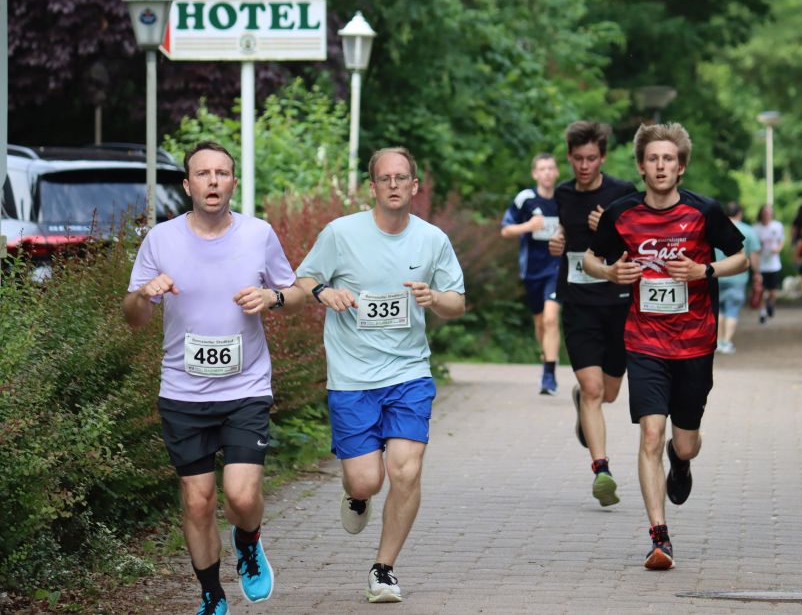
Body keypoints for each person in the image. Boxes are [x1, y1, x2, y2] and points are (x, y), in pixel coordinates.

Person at [122, 141, 306, 615]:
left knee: (241, 497)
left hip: (246, 388)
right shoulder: (161, 240)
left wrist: (272, 299)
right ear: (187, 185)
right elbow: (133, 318)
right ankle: (212, 595)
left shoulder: (258, 234)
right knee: (198, 501)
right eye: (203, 174)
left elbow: (296, 293)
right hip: (183, 392)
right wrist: (143, 294)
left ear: (233, 183)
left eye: (222, 173)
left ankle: (248, 539)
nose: (213, 181)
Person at [295, 147, 465, 604]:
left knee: (406, 471)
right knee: (367, 480)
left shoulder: (432, 240)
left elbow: (457, 302)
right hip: (352, 378)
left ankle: (383, 568)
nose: (393, 185)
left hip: (408, 373)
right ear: (372, 187)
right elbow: (303, 280)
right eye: (384, 178)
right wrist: (324, 292)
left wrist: (434, 298)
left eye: (401, 177)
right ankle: (356, 494)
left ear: (414, 186)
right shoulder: (341, 233)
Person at [583, 122, 748, 571]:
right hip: (645, 341)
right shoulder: (622, 213)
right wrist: (610, 273)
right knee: (651, 433)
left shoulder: (703, 211)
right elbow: (591, 258)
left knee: (685, 442)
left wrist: (704, 271)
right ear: (641, 166)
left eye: (668, 159)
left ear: (681, 167)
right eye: (653, 159)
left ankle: (683, 460)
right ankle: (660, 537)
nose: (660, 166)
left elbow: (741, 257)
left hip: (695, 343)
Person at [547, 121, 635, 508]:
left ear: (603, 158)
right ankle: (602, 471)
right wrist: (557, 243)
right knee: (595, 390)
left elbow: (638, 243)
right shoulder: (563, 194)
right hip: (578, 302)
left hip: (617, 303)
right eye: (578, 158)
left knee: (608, 393)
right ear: (569, 157)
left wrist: (612, 228)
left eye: (592, 158)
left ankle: (581, 399)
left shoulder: (622, 192)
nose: (584, 166)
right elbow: (564, 235)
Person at [500, 153, 562, 395]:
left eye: (551, 168)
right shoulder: (525, 199)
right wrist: (529, 226)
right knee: (540, 323)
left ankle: (549, 375)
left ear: (556, 172)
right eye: (542, 169)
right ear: (535, 174)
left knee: (551, 319)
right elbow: (505, 230)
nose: (547, 173)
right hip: (532, 270)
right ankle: (547, 357)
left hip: (557, 268)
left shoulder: (564, 198)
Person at [715, 202, 761, 354]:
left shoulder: (716, 228)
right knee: (732, 310)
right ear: (740, 213)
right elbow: (754, 256)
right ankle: (726, 342)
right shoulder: (748, 231)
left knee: (719, 310)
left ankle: (718, 342)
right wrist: (757, 273)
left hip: (716, 274)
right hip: (738, 277)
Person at [753, 204, 784, 323]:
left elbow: (781, 241)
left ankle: (770, 305)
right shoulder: (755, 228)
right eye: (765, 212)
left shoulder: (777, 226)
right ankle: (763, 312)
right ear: (761, 214)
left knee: (773, 292)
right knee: (761, 290)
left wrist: (778, 249)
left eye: (769, 212)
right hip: (760, 265)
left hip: (773, 265)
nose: (767, 214)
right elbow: (753, 246)